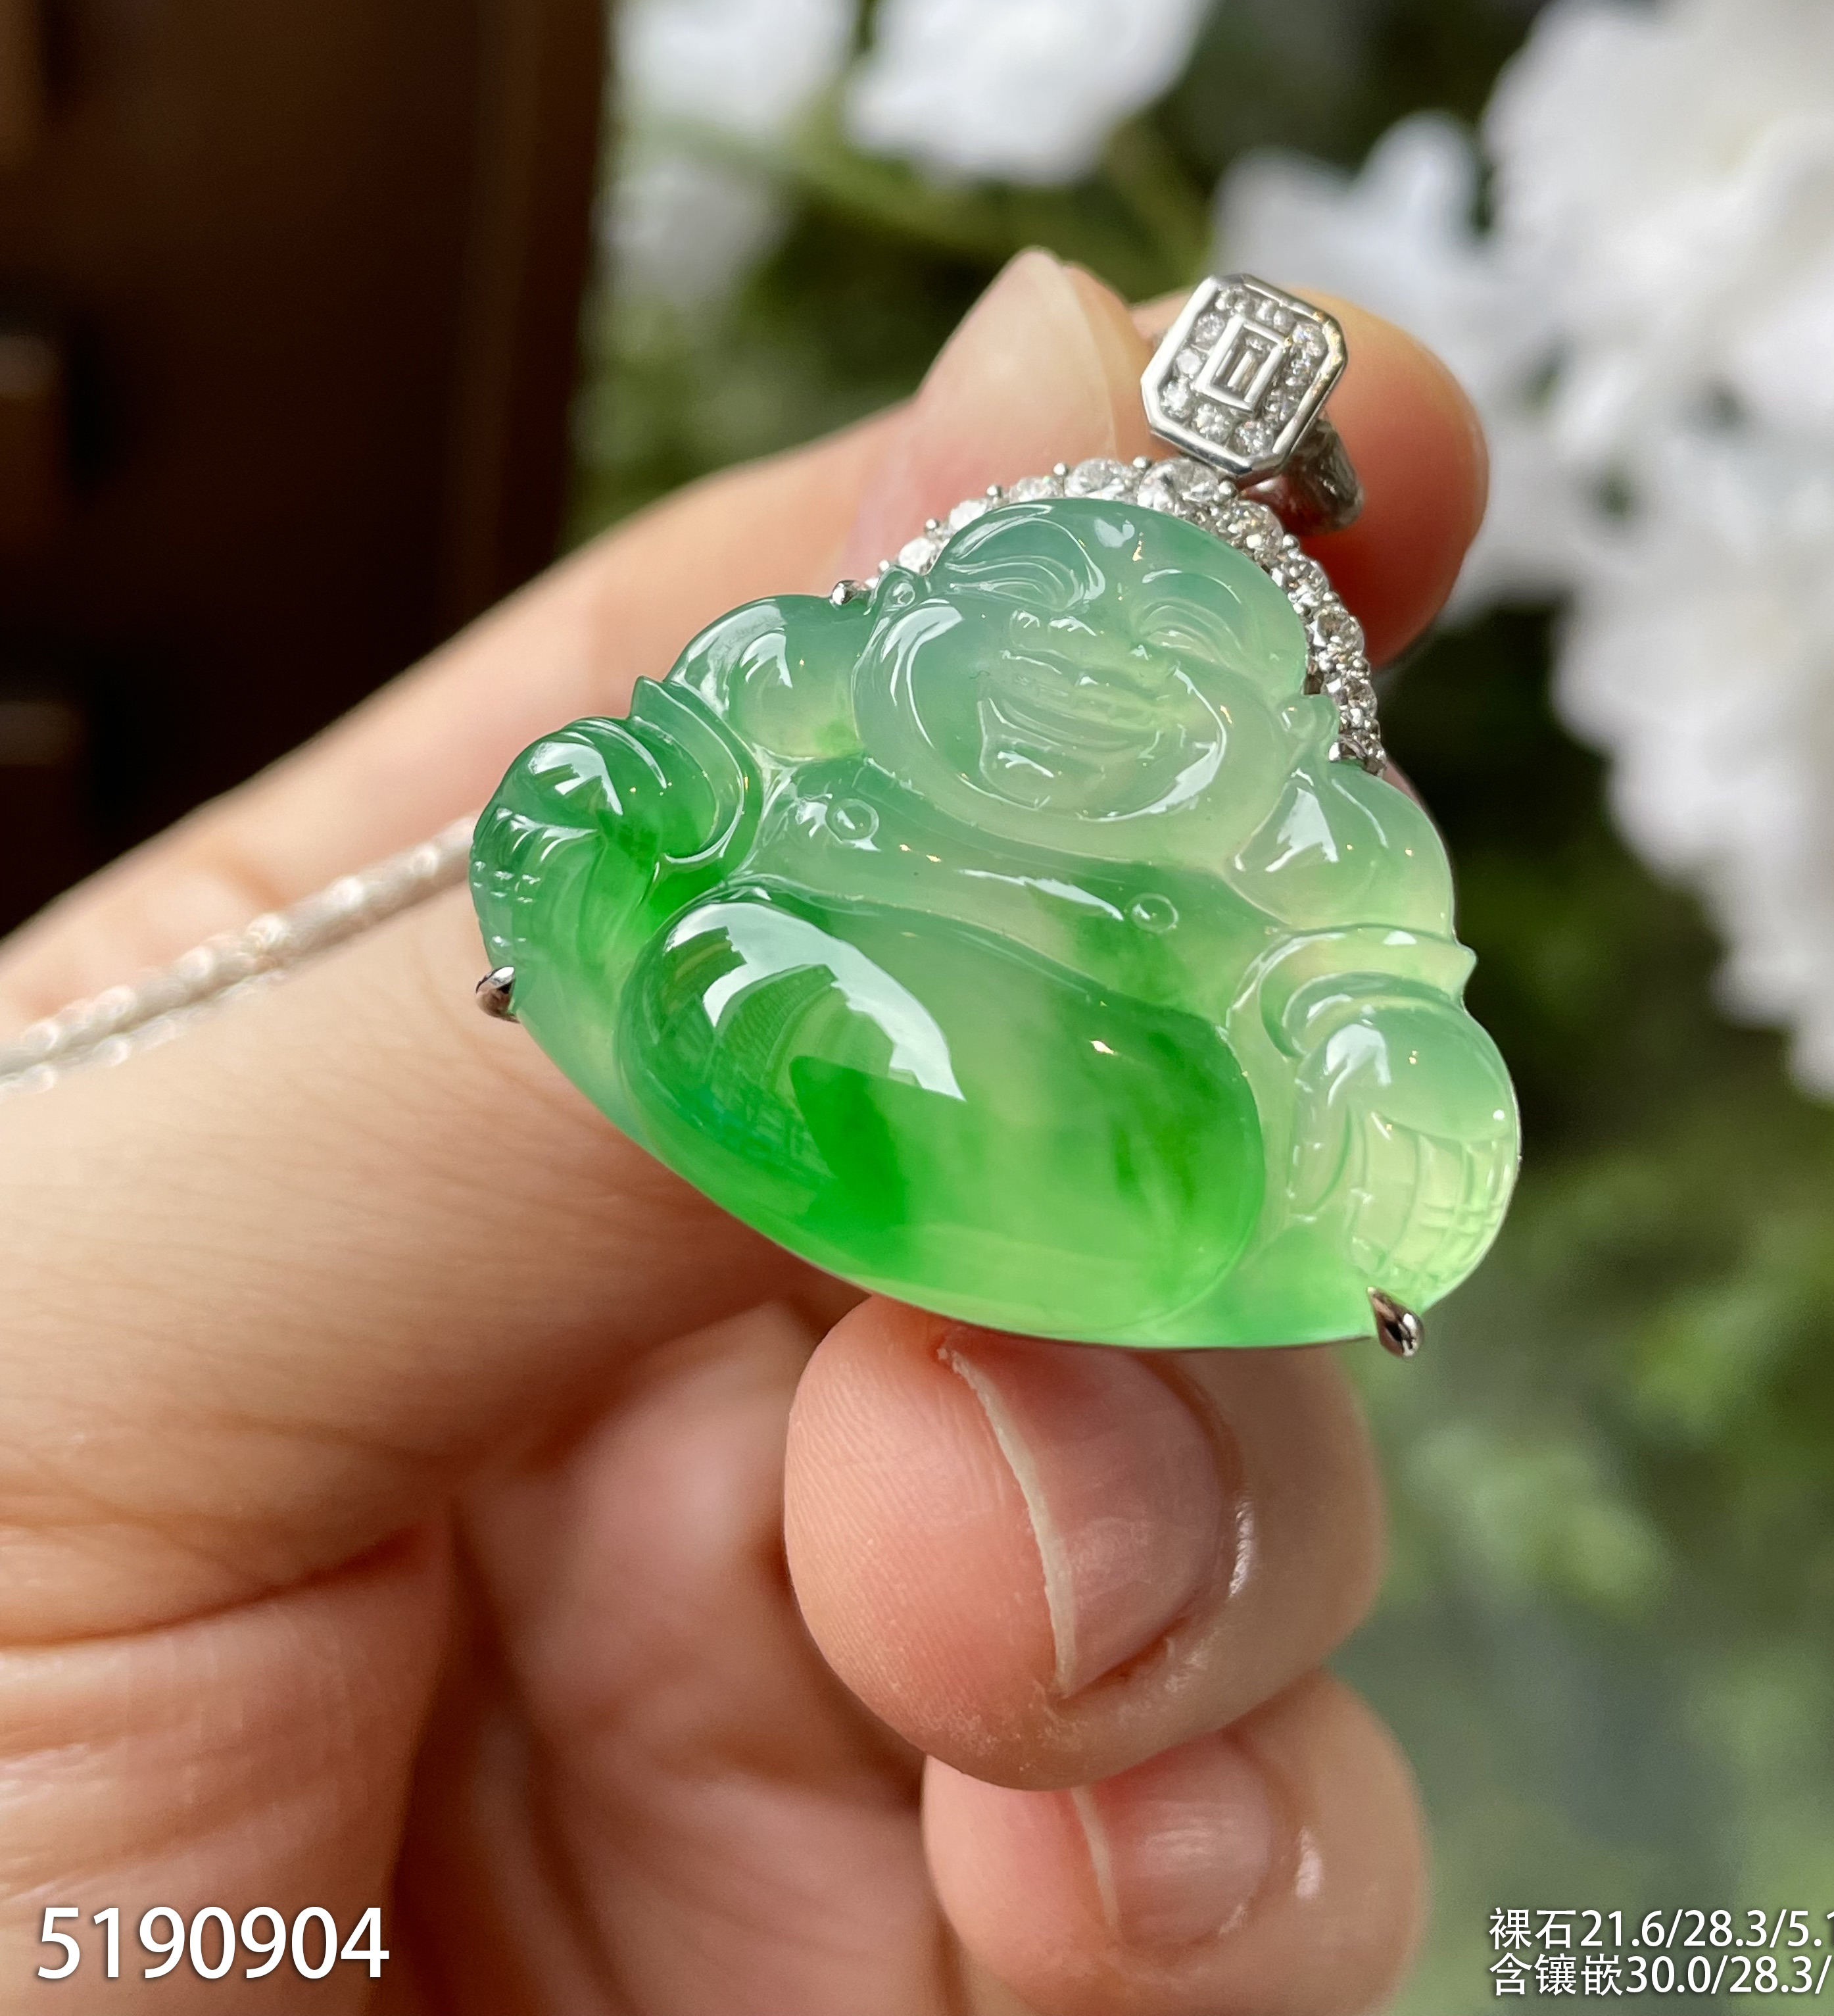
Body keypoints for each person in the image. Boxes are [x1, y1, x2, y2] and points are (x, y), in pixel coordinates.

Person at [0, 251, 1487, 2015]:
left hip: (1117, 1103)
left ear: (1283, 728)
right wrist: (597, 841)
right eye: (1027, 601)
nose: (1083, 662)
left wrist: (1382, 1113)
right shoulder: (814, 686)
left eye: (1176, 651)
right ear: (909, 612)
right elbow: (663, 765)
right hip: (759, 981)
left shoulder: (1300, 848)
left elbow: (1366, 996)